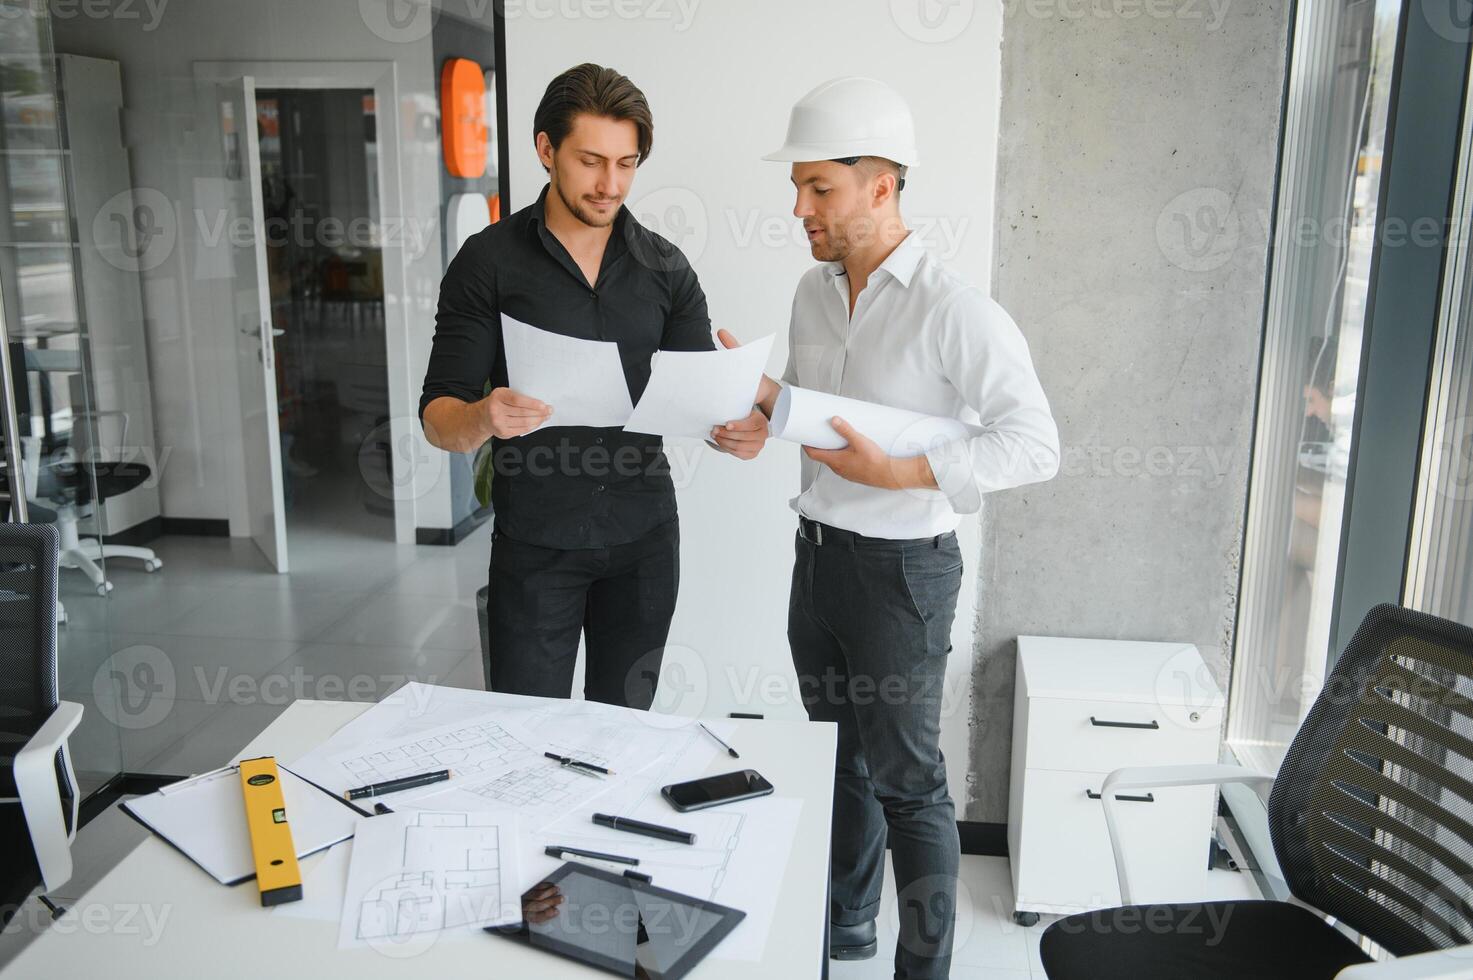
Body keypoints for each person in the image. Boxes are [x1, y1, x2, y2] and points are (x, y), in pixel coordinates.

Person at [754, 76, 1060, 976]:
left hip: (900, 577)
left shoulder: (954, 309)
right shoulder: (813, 294)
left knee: (910, 788)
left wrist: (908, 472)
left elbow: (1034, 444)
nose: (799, 206)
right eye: (798, 186)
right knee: (833, 759)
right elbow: (824, 421)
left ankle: (920, 969)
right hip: (816, 565)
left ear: (881, 185)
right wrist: (759, 412)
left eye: (820, 187)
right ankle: (844, 928)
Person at [419, 63, 769, 709]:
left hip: (644, 543)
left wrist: (737, 429)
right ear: (545, 150)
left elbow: (700, 400)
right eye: (590, 161)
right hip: (535, 546)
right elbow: (438, 416)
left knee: (624, 736)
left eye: (627, 164)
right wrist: (483, 417)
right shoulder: (487, 261)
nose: (610, 185)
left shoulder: (666, 267)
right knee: (525, 733)